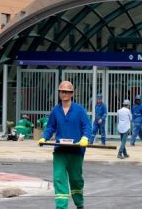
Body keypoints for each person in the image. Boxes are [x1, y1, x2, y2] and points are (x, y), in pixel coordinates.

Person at [38, 81, 91, 209]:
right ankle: (61, 207)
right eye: (62, 91)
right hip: (60, 151)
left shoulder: (79, 110)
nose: (64, 94)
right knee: (59, 178)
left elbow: (87, 126)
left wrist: (85, 138)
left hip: (76, 151)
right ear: (59, 93)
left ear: (72, 94)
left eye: (67, 92)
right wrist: (44, 137)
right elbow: (50, 127)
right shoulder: (56, 110)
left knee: (76, 180)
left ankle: (79, 204)